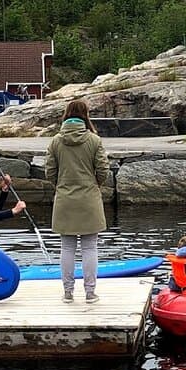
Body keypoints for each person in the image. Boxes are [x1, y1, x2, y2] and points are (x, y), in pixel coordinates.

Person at [46, 99, 109, 303]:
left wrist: (60, 186)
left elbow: (50, 172)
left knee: (67, 248)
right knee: (90, 247)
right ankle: (90, 292)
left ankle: (67, 292)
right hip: (89, 198)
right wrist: (95, 184)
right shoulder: (94, 140)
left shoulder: (56, 141)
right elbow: (103, 170)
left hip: (64, 198)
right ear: (86, 115)